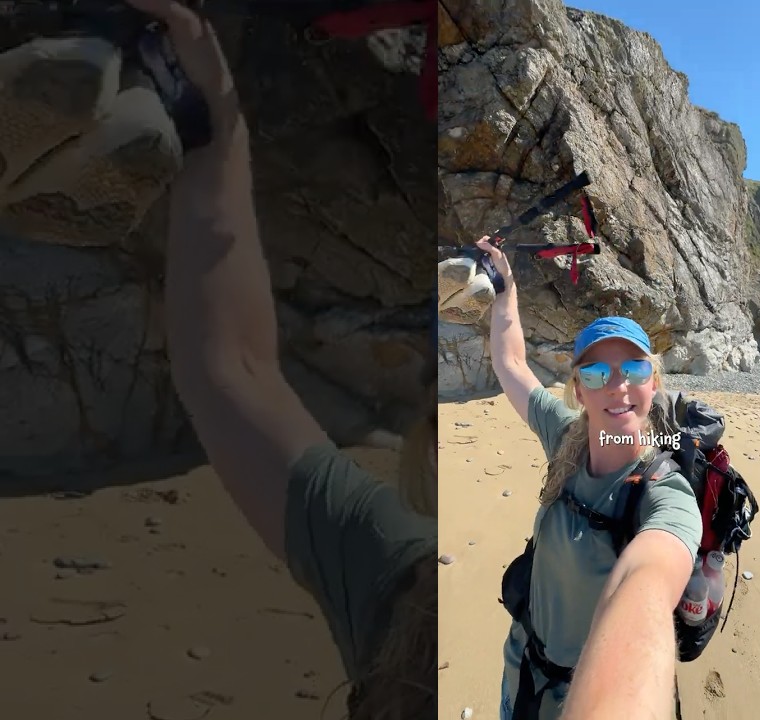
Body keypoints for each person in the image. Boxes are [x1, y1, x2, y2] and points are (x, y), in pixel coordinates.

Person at [94, 2, 437, 718]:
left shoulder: (402, 576)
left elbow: (231, 370)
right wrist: (212, 119)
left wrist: (213, 119)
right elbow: (232, 369)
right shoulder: (400, 571)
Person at [473, 235, 703, 720]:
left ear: (653, 382)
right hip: (521, 673)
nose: (618, 385)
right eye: (597, 373)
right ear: (578, 389)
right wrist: (505, 288)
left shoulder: (666, 495)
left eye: (634, 369)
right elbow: (512, 362)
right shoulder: (567, 439)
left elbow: (647, 584)